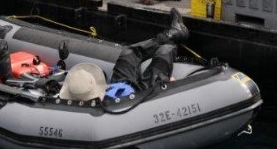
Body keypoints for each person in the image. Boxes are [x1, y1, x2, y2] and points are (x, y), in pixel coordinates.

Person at [59, 8, 189, 101]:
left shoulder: (91, 95)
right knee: (164, 52)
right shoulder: (99, 112)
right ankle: (172, 37)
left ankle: (170, 34)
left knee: (129, 52)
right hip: (140, 96)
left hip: (119, 84)